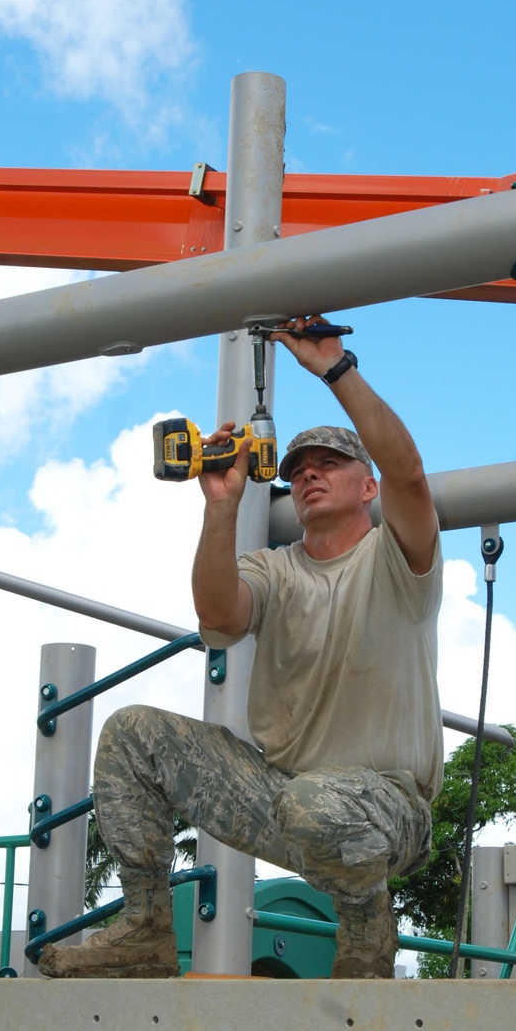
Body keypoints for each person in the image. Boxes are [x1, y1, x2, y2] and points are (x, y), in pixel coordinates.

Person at [39, 315, 443, 981]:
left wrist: (335, 370)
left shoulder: (396, 559)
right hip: (284, 796)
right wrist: (221, 505)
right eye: (300, 469)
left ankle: (368, 930)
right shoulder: (275, 568)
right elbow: (219, 616)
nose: (311, 474)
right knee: (129, 735)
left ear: (367, 486)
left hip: (387, 813)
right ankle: (144, 929)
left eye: (331, 464)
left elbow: (411, 473)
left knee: (315, 804)